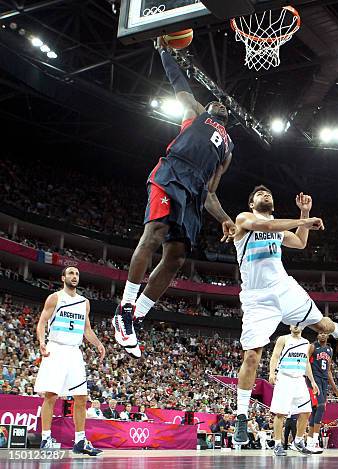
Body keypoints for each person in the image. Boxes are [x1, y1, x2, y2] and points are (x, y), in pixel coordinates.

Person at [112, 37, 236, 358]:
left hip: (193, 194)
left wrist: (225, 220)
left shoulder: (227, 149)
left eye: (224, 104)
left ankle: (136, 317)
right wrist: (165, 53)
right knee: (153, 233)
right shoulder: (195, 113)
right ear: (207, 108)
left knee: (176, 258)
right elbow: (179, 84)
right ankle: (124, 308)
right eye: (215, 102)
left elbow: (210, 193)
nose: (220, 103)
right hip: (171, 174)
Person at [230, 187, 338, 446]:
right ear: (251, 202)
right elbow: (262, 226)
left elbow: (300, 242)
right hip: (257, 299)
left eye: (269, 194)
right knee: (252, 355)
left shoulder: (278, 229)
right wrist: (304, 220)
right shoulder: (244, 219)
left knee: (322, 324)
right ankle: (242, 416)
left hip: (284, 288)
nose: (265, 195)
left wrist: (305, 212)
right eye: (260, 194)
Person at [34, 267, 105, 455]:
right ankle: (46, 438)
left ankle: (80, 441)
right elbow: (41, 322)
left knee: (81, 397)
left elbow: (87, 329)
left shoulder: (84, 302)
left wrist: (98, 344)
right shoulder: (55, 298)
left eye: (77, 274)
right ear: (63, 277)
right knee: (51, 395)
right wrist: (42, 342)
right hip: (56, 348)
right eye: (71, 273)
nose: (74, 276)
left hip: (75, 352)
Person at [268, 325, 319, 456]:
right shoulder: (283, 339)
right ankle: (278, 444)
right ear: (290, 326)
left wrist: (312, 381)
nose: (296, 325)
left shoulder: (306, 343)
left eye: (299, 323)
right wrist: (272, 373)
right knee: (280, 414)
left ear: (303, 326)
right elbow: (274, 356)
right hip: (284, 378)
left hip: (299, 380)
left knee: (306, 412)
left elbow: (306, 362)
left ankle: (298, 441)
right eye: (293, 323)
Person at [306, 332, 338, 454]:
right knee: (321, 406)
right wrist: (310, 380)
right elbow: (306, 362)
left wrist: (335, 389)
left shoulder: (329, 350)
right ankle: (315, 441)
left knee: (315, 410)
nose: (322, 335)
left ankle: (309, 442)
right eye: (320, 333)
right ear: (317, 335)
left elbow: (328, 371)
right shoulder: (313, 346)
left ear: (328, 336)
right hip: (314, 379)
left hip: (323, 381)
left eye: (325, 333)